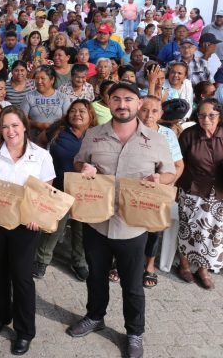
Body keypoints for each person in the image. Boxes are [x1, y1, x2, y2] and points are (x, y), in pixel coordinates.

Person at [67, 82, 176, 358]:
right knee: (96, 276)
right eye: (116, 99)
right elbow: (78, 163)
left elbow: (169, 173)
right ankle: (95, 316)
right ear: (109, 102)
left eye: (128, 99)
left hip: (133, 226)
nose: (122, 104)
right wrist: (85, 168)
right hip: (97, 221)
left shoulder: (157, 140)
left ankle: (135, 333)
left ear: (138, 104)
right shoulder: (94, 134)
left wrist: (158, 179)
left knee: (132, 284)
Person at [0, 106, 55, 355]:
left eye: (14, 125)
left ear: (24, 127)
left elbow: (45, 193)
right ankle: (2, 315)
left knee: (21, 278)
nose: (10, 131)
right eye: (5, 126)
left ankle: (24, 331)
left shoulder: (41, 156)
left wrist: (36, 217)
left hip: (25, 225)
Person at [176, 98, 223, 290]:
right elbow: (178, 162)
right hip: (194, 190)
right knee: (188, 230)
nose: (206, 119)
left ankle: (203, 269)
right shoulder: (189, 135)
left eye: (211, 115)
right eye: (201, 115)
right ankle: (184, 265)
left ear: (219, 115)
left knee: (213, 233)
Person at [33, 100, 95, 280]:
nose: (77, 114)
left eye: (82, 111)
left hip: (85, 190)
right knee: (54, 226)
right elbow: (40, 142)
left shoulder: (96, 135)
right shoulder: (58, 130)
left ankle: (79, 262)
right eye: (73, 111)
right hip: (59, 186)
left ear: (90, 115)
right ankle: (42, 260)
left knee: (82, 229)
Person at [133, 95, 185, 288]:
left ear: (161, 114)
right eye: (145, 109)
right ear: (138, 109)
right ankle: (120, 263)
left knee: (154, 229)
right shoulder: (130, 129)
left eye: (154, 111)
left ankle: (149, 265)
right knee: (128, 225)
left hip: (159, 189)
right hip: (133, 188)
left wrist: (168, 183)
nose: (149, 115)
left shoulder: (167, 134)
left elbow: (179, 165)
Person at [21, 66, 70, 140]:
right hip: (34, 139)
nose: (39, 81)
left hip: (57, 138)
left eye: (43, 78)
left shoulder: (63, 97)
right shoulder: (29, 96)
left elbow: (67, 118)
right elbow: (22, 118)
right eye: (37, 78)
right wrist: (38, 124)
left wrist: (54, 128)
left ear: (52, 80)